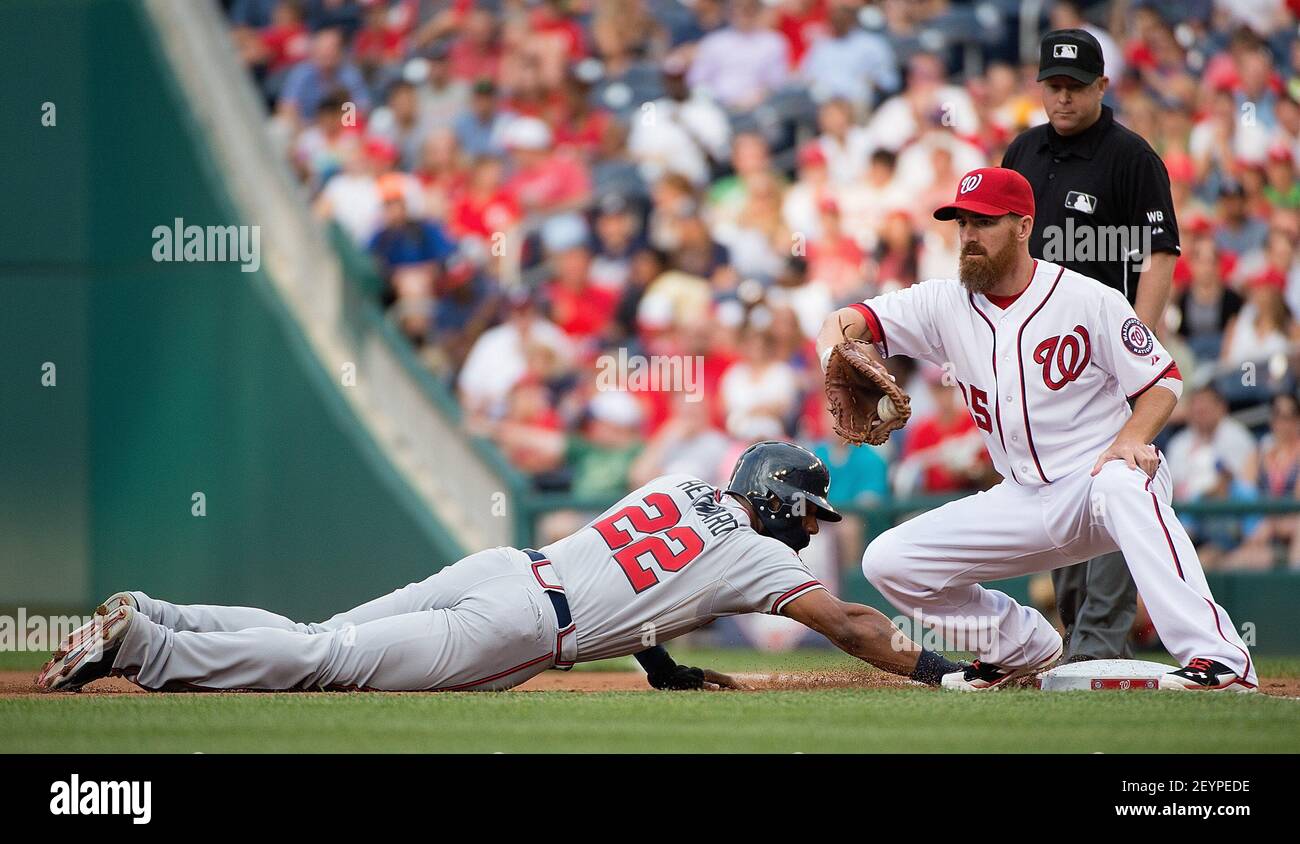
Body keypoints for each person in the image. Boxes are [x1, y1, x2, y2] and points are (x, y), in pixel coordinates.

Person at [38, 443, 965, 693]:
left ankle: (160, 615)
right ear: (774, 496)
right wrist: (939, 670)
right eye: (804, 511)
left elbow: (639, 580)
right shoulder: (758, 550)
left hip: (503, 568)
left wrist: (664, 663)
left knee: (326, 637)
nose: (807, 529)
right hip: (523, 628)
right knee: (329, 664)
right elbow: (851, 627)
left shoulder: (683, 485)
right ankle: (149, 649)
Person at [816, 167, 1257, 692]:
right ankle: (1019, 647)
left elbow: (1163, 380)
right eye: (962, 223)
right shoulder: (943, 303)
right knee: (889, 560)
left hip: (1097, 482)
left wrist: (1132, 438)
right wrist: (834, 354)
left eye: (985, 222)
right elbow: (844, 320)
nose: (970, 236)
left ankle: (1220, 658)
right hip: (1020, 498)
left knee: (1126, 481)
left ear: (1023, 226)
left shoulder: (1087, 299)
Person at [1001, 29, 1181, 663]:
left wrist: (1140, 345)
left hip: (1106, 350)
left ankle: (1101, 640)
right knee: (1060, 494)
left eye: (1076, 86)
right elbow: (1001, 248)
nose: (1063, 96)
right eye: (1053, 84)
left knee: (1118, 482)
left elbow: (1158, 257)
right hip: (1039, 357)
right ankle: (1084, 639)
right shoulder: (1022, 150)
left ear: (1102, 86)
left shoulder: (1130, 156)